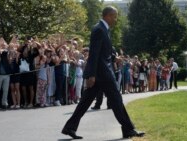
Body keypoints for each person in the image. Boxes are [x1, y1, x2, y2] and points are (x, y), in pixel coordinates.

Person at [62, 6, 145, 139]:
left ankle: (69, 127)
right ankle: (129, 129)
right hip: (103, 73)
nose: (116, 19)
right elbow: (94, 54)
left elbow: (103, 51)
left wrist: (113, 57)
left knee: (85, 102)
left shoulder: (104, 29)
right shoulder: (99, 29)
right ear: (107, 16)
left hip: (102, 72)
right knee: (116, 99)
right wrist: (91, 75)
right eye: (114, 16)